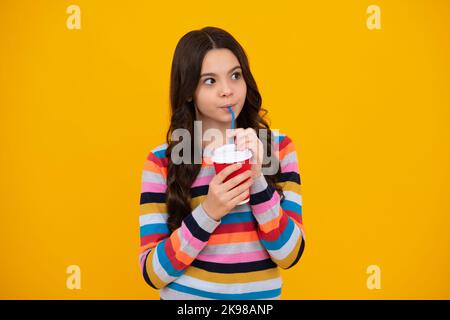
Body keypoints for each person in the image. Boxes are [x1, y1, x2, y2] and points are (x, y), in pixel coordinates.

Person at [138, 26, 305, 300]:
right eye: (209, 81)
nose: (227, 91)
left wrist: (258, 180)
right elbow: (153, 273)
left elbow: (289, 254)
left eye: (235, 76)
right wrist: (210, 212)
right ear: (188, 90)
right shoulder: (162, 161)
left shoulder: (277, 149)